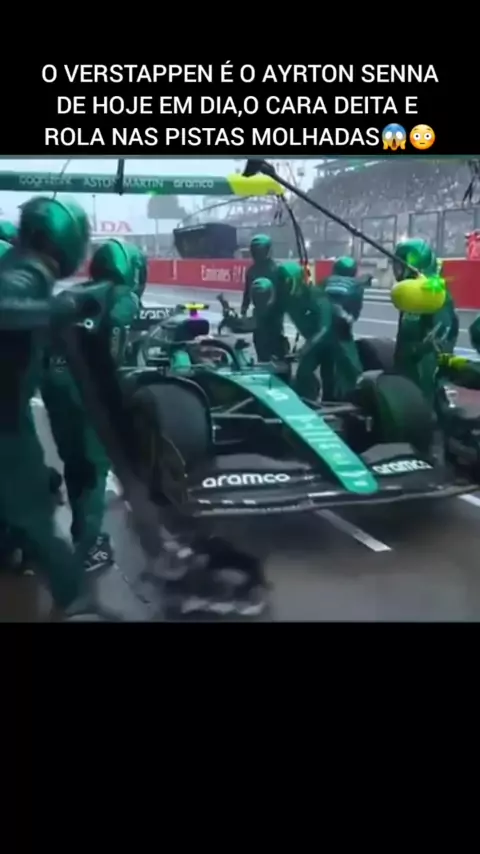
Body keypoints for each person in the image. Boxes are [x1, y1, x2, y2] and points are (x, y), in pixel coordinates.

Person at [0, 195, 98, 615]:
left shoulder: (18, 267)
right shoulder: (25, 274)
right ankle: (75, 599)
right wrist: (58, 310)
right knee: (36, 515)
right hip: (5, 420)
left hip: (11, 411)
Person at [42, 239, 142, 574]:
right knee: (95, 466)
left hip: (54, 385)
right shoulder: (122, 295)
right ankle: (89, 545)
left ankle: (80, 534)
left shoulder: (71, 294)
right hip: (85, 388)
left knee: (74, 461)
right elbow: (116, 331)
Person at [392, 238, 459, 406]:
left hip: (423, 368)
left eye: (400, 265)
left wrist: (417, 351)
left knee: (425, 404)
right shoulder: (412, 290)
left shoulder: (434, 294)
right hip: (407, 363)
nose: (396, 270)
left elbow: (440, 339)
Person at [250, 276, 289, 362]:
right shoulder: (259, 311)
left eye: (261, 296)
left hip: (273, 352)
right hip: (267, 351)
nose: (259, 299)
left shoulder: (273, 311)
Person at [241, 234, 278, 317]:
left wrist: (243, 310)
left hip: (273, 313)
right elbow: (247, 293)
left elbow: (247, 294)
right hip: (265, 312)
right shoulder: (275, 269)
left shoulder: (252, 271)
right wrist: (243, 310)